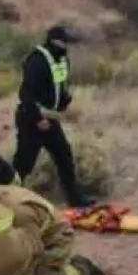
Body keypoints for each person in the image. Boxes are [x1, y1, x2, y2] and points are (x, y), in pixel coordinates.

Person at [13, 26, 93, 208]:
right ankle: (8, 197)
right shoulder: (36, 60)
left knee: (64, 156)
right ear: (53, 41)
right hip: (32, 119)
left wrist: (65, 100)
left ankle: (74, 198)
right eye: (63, 42)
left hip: (51, 119)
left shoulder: (62, 60)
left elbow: (59, 85)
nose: (66, 46)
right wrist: (37, 119)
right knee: (24, 163)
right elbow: (26, 94)